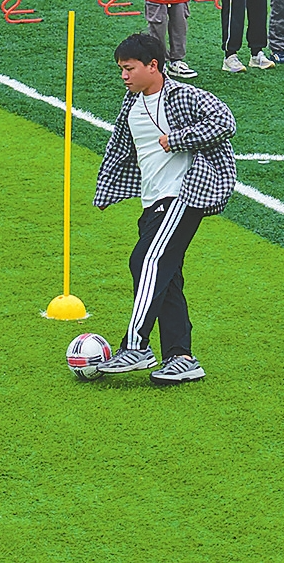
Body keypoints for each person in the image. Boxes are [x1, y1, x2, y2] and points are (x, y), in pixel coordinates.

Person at [93, 31, 237, 385]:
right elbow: (121, 149)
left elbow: (225, 122)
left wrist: (177, 139)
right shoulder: (130, 104)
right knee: (166, 275)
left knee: (146, 261)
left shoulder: (184, 95)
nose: (124, 76)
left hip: (183, 194)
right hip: (152, 201)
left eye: (129, 68)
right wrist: (106, 190)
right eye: (121, 69)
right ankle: (181, 357)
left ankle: (136, 346)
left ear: (153, 66)